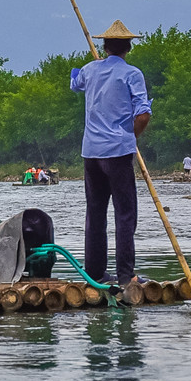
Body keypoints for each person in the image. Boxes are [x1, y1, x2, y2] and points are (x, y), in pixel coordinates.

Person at [70, 20, 151, 287]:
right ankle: (126, 276)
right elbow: (142, 114)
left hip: (91, 153)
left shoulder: (90, 70)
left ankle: (95, 273)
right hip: (117, 151)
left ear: (105, 47)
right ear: (128, 47)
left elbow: (75, 83)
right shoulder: (131, 74)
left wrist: (92, 69)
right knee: (125, 214)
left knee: (95, 212)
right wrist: (131, 137)